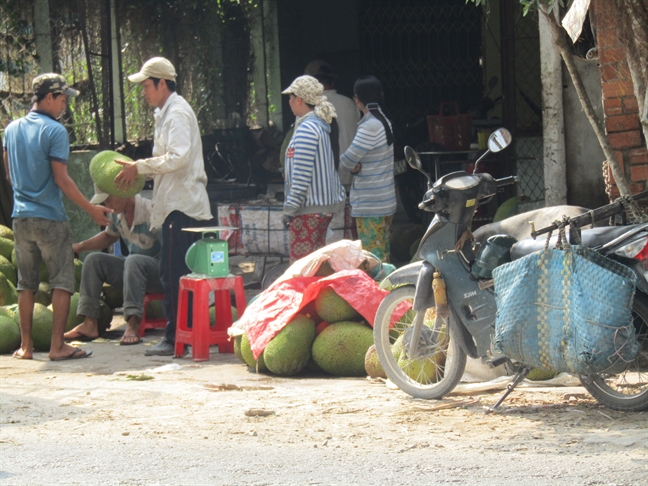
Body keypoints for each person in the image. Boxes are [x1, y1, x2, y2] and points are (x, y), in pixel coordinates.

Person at [3, 73, 112, 360]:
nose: (64, 105)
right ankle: (57, 347)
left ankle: (25, 347)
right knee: (62, 281)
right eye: (62, 99)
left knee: (25, 283)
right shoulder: (55, 131)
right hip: (50, 217)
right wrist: (92, 209)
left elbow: (10, 175)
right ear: (48, 97)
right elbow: (62, 179)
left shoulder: (11, 129)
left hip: (21, 218)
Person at [114, 57, 212, 356]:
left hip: (180, 207)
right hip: (178, 204)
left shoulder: (177, 113)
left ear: (162, 83)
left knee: (174, 274)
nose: (143, 92)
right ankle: (183, 335)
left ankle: (174, 338)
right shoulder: (167, 113)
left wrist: (139, 167)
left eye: (146, 85)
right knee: (178, 273)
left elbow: (179, 156)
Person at [63, 186, 164, 345]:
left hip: (159, 273)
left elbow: (171, 250)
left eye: (108, 199)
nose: (106, 204)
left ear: (125, 192)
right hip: (133, 270)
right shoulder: (117, 214)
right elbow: (109, 236)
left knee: (133, 260)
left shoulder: (150, 211)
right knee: (93, 260)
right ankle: (90, 323)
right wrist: (79, 247)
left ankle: (133, 324)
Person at [281, 75, 346, 263]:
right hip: (319, 209)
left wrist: (290, 209)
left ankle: (305, 293)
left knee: (302, 266)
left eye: (290, 98)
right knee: (315, 264)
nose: (289, 102)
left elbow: (301, 176)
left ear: (299, 99)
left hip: (308, 209)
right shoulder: (318, 126)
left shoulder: (307, 129)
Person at [340, 75, 397, 262]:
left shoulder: (369, 126)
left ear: (357, 99)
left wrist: (354, 167)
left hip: (371, 204)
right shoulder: (384, 121)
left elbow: (347, 161)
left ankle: (380, 290)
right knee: (383, 252)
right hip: (385, 200)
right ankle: (388, 288)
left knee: (373, 258)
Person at [304, 60, 360, 243]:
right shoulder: (350, 104)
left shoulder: (309, 108)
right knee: (346, 231)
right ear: (333, 82)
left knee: (327, 234)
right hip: (351, 177)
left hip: (324, 184)